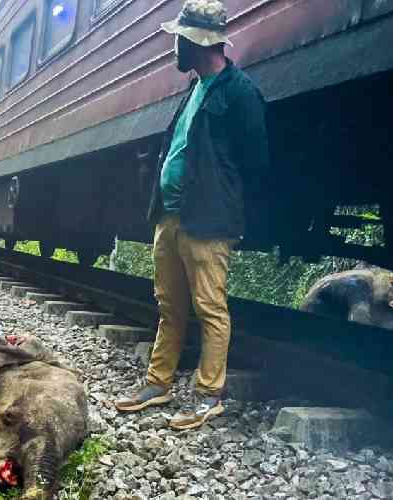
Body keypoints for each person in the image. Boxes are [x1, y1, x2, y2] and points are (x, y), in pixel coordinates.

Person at [114, 0, 270, 430]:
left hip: (209, 220)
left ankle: (208, 395)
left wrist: (227, 208)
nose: (175, 47)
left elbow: (255, 163)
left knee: (209, 307)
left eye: (179, 39)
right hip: (171, 216)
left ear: (199, 43)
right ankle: (158, 382)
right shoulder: (194, 89)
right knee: (169, 304)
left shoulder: (240, 93)